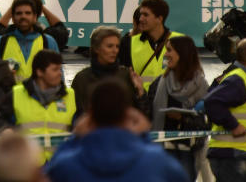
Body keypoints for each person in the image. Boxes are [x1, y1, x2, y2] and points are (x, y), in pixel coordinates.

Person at [45, 77, 189, 182]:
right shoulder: (158, 162)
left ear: (90, 115)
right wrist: (143, 136)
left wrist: (75, 138)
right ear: (127, 113)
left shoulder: (66, 164)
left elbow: (50, 172)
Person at [202, 38, 246, 182]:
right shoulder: (238, 80)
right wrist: (233, 125)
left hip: (245, 155)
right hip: (231, 156)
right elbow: (212, 102)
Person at [2, 49, 79, 162]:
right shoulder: (16, 94)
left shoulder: (70, 95)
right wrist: (6, 129)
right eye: (55, 69)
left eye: (60, 69)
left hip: (60, 164)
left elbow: (80, 126)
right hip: (27, 165)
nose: (60, 73)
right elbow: (0, 119)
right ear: (39, 72)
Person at [149, 35, 209, 181]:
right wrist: (139, 92)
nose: (165, 54)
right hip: (161, 150)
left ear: (183, 53)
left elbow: (206, 123)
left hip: (186, 152)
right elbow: (148, 113)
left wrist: (182, 118)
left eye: (169, 50)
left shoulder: (200, 85)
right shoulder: (160, 82)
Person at [0, 0, 67, 81]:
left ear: (35, 16)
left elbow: (59, 78)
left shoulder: (48, 41)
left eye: (28, 13)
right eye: (19, 13)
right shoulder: (0, 42)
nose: (23, 16)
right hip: (10, 95)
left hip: (41, 95)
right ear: (12, 17)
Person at [120, 0, 184, 93]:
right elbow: (123, 79)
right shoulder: (128, 43)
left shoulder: (181, 41)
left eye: (145, 15)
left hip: (174, 100)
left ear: (159, 19)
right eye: (141, 15)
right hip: (143, 101)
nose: (141, 18)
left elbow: (193, 74)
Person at [72, 26, 137, 113]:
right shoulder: (82, 78)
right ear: (96, 48)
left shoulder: (126, 75)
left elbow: (137, 110)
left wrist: (141, 94)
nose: (115, 51)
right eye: (110, 46)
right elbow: (77, 112)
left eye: (117, 46)